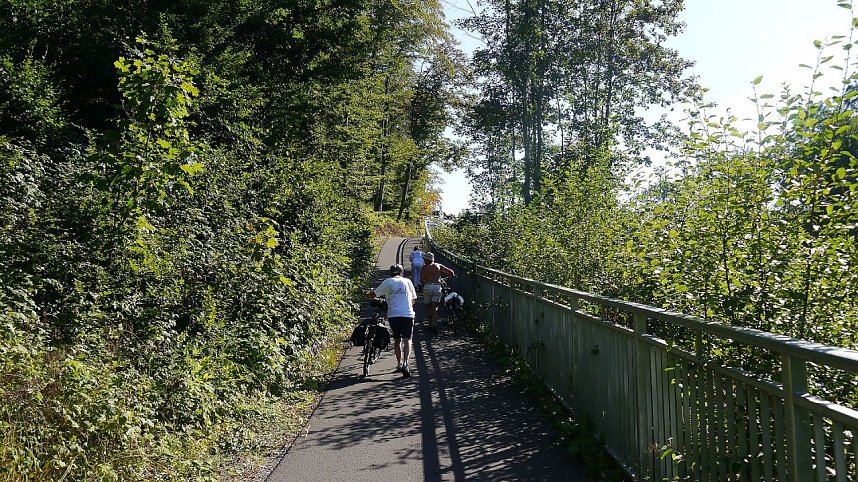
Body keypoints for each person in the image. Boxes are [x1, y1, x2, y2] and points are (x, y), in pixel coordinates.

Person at [367, 264, 417, 378]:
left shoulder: (388, 281)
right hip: (407, 314)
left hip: (393, 314)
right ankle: (406, 363)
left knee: (397, 339)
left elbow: (373, 294)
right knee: (407, 339)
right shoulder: (408, 282)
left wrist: (368, 294)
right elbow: (414, 299)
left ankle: (399, 364)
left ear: (391, 273)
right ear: (402, 272)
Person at [419, 252, 455, 333]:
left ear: (426, 260)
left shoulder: (424, 267)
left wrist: (423, 284)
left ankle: (430, 324)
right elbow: (450, 271)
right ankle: (435, 323)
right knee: (434, 307)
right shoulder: (438, 265)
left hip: (427, 287)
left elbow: (421, 279)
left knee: (428, 306)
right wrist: (452, 276)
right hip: (437, 287)